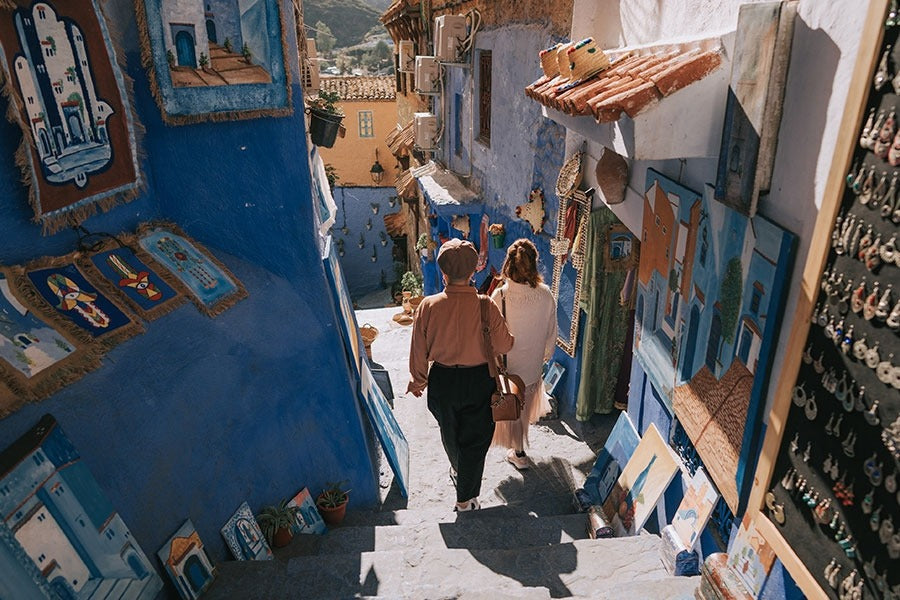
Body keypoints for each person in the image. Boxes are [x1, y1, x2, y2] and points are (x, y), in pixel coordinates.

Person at [407, 238, 514, 512]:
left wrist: (418, 380)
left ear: (443, 274)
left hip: (442, 382)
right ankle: (465, 499)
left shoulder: (427, 306)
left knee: (450, 434)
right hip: (479, 380)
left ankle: (460, 474)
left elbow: (418, 348)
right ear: (474, 271)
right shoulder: (485, 305)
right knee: (475, 441)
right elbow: (504, 345)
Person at [490, 238, 557, 470]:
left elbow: (489, 332)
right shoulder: (546, 294)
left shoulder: (500, 296)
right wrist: (544, 354)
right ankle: (518, 449)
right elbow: (551, 332)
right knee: (524, 407)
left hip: (508, 366)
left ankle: (518, 453)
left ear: (508, 264)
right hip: (532, 365)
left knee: (512, 405)